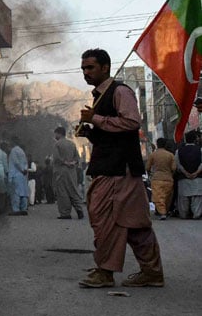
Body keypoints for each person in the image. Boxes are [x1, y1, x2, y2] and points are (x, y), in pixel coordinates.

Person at [76, 48, 163, 288]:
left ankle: (105, 272)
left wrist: (95, 119)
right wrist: (91, 133)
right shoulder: (101, 97)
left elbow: (131, 122)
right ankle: (152, 272)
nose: (86, 72)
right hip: (116, 168)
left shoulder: (120, 91)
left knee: (106, 219)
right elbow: (112, 135)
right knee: (133, 223)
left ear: (105, 67)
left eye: (90, 67)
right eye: (83, 68)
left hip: (117, 171)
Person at [52, 126, 85, 219]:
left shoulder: (57, 144)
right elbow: (77, 158)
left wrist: (65, 162)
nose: (54, 136)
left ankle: (65, 213)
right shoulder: (72, 144)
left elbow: (56, 158)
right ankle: (79, 209)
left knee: (63, 192)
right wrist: (72, 163)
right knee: (73, 189)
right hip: (72, 171)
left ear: (59, 133)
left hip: (61, 171)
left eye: (55, 134)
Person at [174, 130, 202, 220]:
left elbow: (177, 165)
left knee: (183, 199)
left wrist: (185, 173)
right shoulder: (200, 150)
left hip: (183, 179)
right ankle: (196, 215)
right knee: (197, 198)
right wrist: (196, 173)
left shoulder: (179, 151)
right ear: (195, 140)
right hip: (197, 179)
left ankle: (184, 215)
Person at [146, 138, 176, 220]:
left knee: (158, 196)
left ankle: (162, 213)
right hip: (168, 179)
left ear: (157, 144)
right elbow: (173, 168)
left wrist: (150, 174)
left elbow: (147, 167)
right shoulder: (170, 155)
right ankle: (165, 211)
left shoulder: (153, 155)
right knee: (167, 196)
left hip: (156, 179)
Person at [7, 136, 29, 216]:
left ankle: (16, 209)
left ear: (12, 142)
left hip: (16, 173)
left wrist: (21, 169)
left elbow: (16, 162)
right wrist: (24, 170)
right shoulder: (22, 151)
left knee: (15, 193)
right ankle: (23, 208)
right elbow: (26, 162)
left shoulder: (13, 151)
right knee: (23, 192)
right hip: (22, 175)